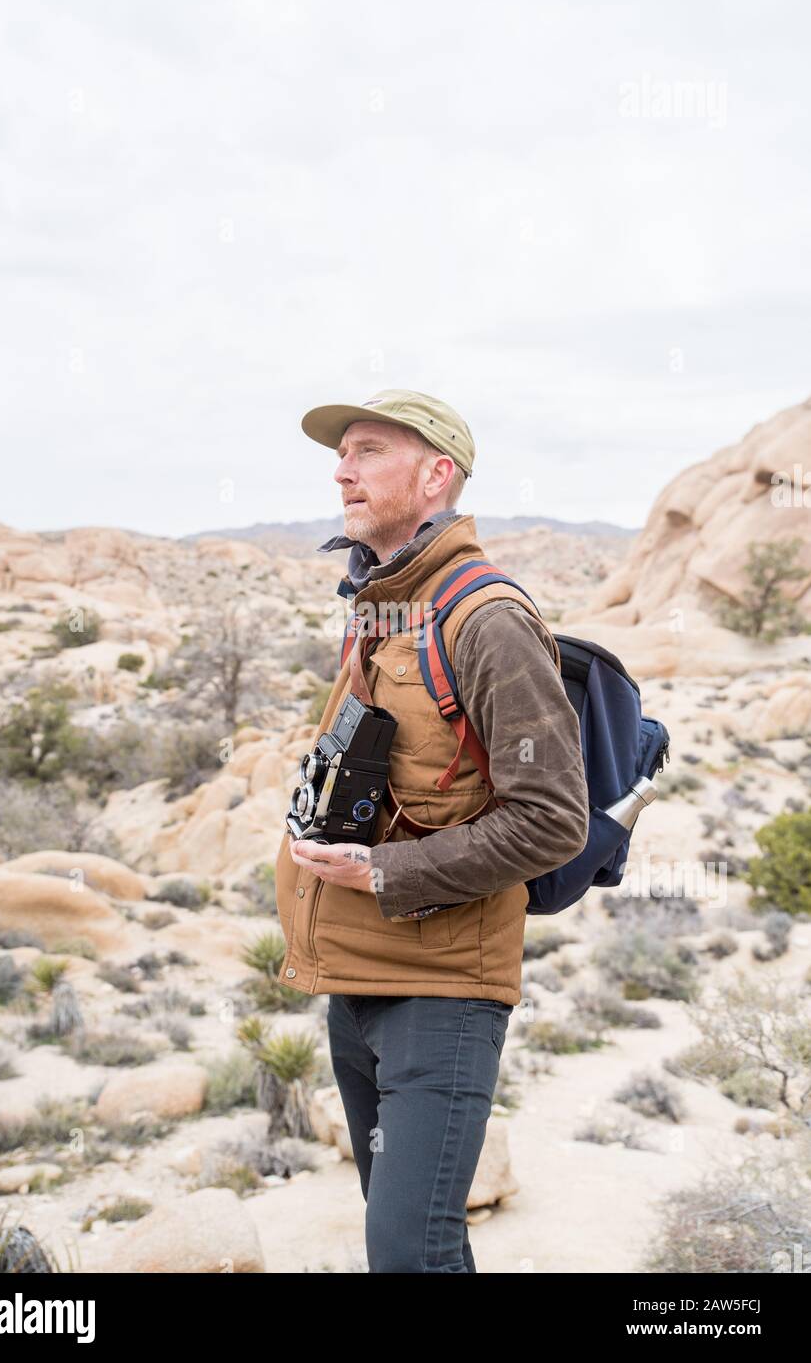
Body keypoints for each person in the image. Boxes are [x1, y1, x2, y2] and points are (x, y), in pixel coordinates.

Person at [274, 388, 589, 1272]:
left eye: (369, 450)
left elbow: (551, 817)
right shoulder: (384, 604)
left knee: (408, 1254)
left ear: (436, 473)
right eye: (342, 454)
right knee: (409, 1240)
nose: (343, 468)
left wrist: (382, 875)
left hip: (441, 993)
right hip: (358, 977)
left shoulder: (484, 619)